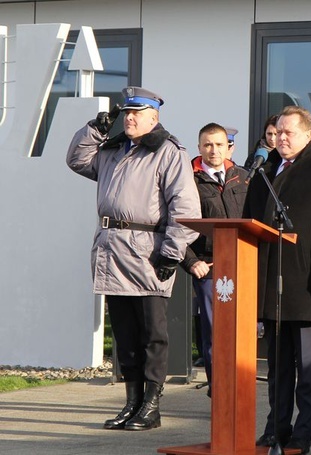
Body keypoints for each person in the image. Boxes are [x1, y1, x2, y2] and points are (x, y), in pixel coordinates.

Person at [66, 87, 200, 430]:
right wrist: (95, 129)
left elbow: (185, 209)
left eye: (136, 113)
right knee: (124, 334)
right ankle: (132, 402)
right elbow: (78, 160)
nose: (128, 118)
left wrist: (172, 254)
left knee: (152, 334)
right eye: (125, 113)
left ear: (153, 118)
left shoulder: (168, 152)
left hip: (148, 252)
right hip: (112, 250)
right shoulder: (111, 150)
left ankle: (152, 406)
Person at [245, 106, 311, 454]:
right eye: (277, 132)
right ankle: (276, 429)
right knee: (277, 369)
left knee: (308, 370)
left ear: (309, 135)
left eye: (289, 133)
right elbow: (248, 225)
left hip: (308, 286)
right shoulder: (263, 170)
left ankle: (302, 435)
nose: (281, 138)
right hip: (272, 288)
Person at [181, 123, 249, 398]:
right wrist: (190, 261)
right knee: (215, 336)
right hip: (209, 268)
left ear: (228, 146)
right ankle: (220, 391)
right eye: (208, 144)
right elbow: (174, 225)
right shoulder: (188, 179)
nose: (214, 150)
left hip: (243, 264)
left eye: (219, 144)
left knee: (242, 333)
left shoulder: (243, 177)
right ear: (199, 147)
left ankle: (239, 388)